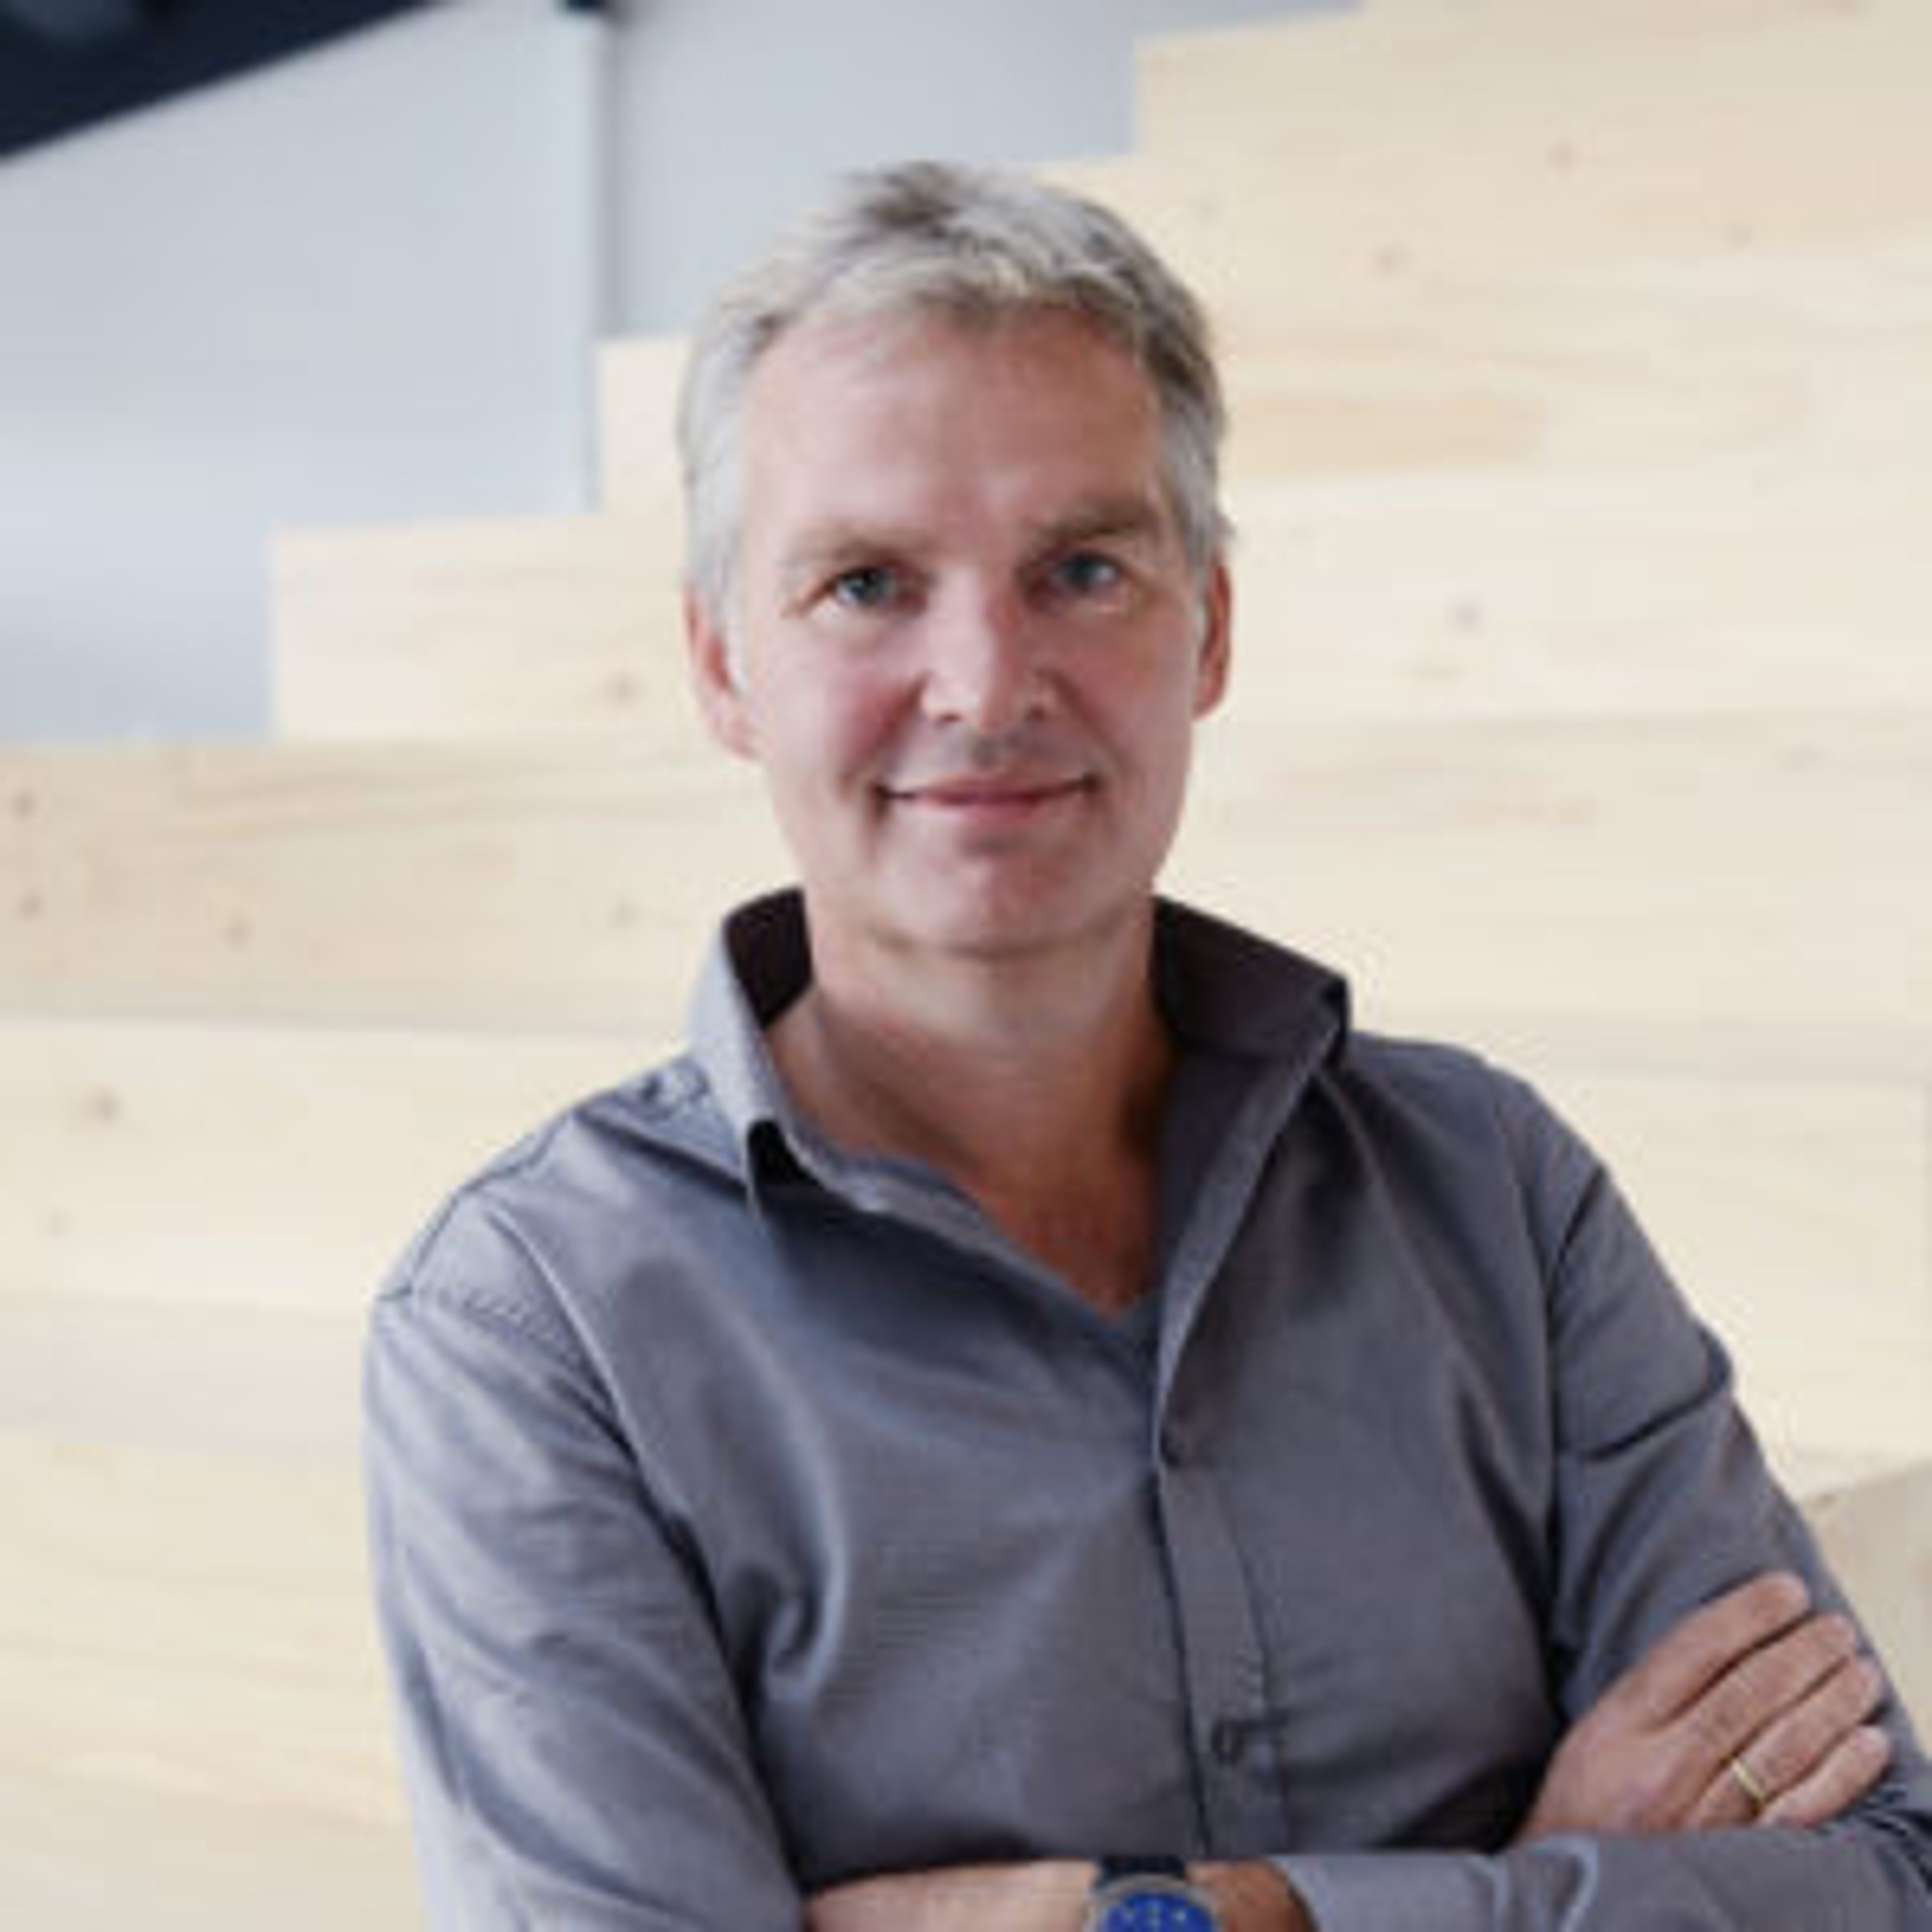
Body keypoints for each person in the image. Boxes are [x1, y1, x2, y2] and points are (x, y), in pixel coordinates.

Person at [362, 160, 1932, 1929]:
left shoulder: (1499, 1194)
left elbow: (1880, 1877)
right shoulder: (534, 1331)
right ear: (724, 663)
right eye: (867, 584)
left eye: (1083, 570)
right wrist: (1529, 1891)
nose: (986, 686)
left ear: (1214, 628)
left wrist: (1197, 1916)